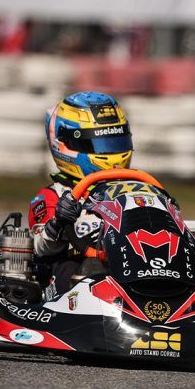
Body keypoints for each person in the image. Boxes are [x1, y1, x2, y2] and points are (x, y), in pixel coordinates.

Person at [28, 91, 134, 296]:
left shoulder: (135, 188)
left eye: (115, 142)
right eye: (101, 144)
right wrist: (59, 221)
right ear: (66, 144)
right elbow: (42, 248)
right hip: (76, 274)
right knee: (90, 269)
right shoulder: (54, 195)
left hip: (129, 264)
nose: (111, 152)